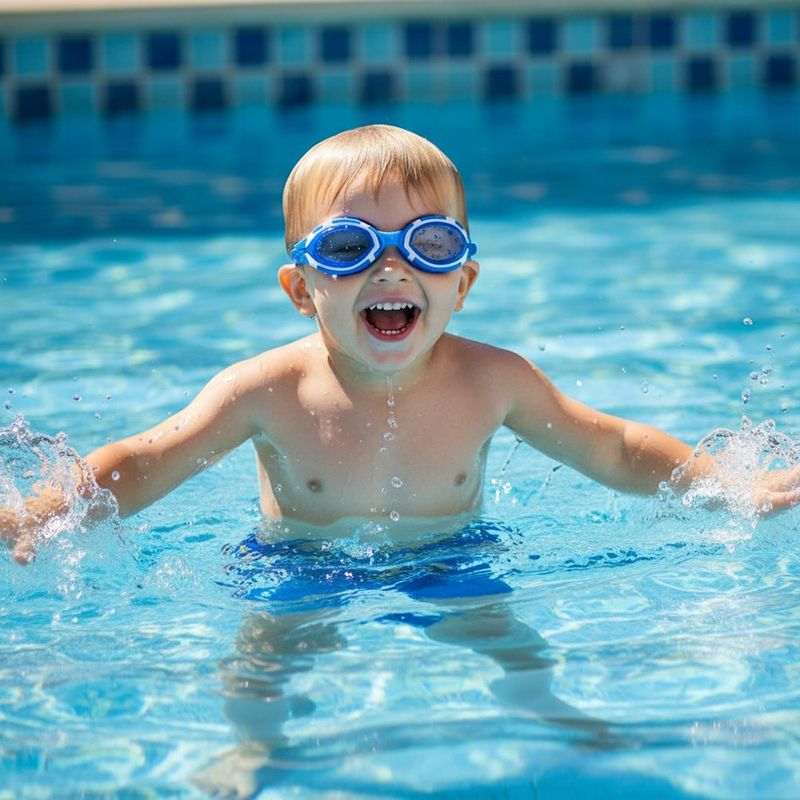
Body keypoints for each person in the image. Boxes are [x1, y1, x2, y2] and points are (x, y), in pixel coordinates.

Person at [2, 124, 798, 562]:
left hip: (454, 554)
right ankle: (250, 757)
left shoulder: (494, 380)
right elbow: (146, 459)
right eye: (350, 247)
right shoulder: (264, 391)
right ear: (301, 291)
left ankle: (559, 725)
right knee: (262, 663)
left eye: (430, 244)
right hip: (299, 567)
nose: (392, 267)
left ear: (463, 283)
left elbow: (614, 448)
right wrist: (43, 512)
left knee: (514, 651)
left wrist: (734, 488)